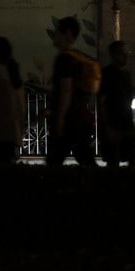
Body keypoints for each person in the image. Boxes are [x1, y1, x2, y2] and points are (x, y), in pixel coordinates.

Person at [46, 16, 98, 167]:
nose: (54, 35)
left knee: (54, 163)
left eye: (57, 31)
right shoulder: (80, 58)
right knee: (86, 159)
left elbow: (66, 90)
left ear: (67, 34)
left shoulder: (64, 59)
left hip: (69, 120)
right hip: (80, 118)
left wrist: (60, 118)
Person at [98, 41, 135, 168]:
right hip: (113, 123)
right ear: (113, 55)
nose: (125, 56)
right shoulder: (107, 74)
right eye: (122, 53)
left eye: (126, 53)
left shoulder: (126, 74)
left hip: (126, 122)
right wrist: (107, 126)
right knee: (114, 160)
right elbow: (101, 101)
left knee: (131, 158)